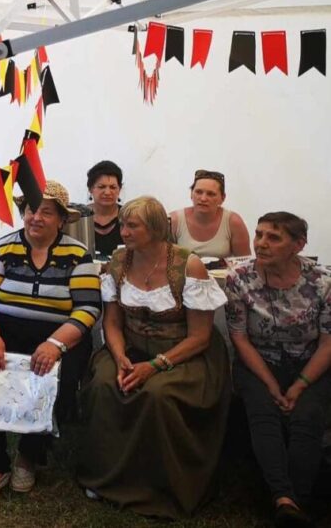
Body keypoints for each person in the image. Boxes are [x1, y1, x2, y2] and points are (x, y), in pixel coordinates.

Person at [78, 196, 230, 519]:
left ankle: (161, 485)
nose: (124, 231)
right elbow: (113, 322)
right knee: (104, 385)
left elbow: (200, 337)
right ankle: (107, 478)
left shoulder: (187, 266)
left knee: (156, 394)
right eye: (123, 224)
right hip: (129, 348)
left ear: (157, 228)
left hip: (185, 354)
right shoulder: (118, 263)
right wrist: (119, 356)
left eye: (133, 225)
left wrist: (156, 365)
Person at [0, 180, 101, 504]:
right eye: (30, 209)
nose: (36, 217)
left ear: (61, 219)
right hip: (3, 328)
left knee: (60, 381)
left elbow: (88, 307)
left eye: (46, 212)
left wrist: (55, 344)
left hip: (58, 332)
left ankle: (29, 456)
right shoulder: (4, 248)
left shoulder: (77, 255)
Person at [225, 212, 331, 527]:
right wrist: (272, 385)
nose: (261, 243)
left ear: (298, 245)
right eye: (259, 235)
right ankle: (284, 498)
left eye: (274, 237)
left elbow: (328, 344)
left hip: (310, 364)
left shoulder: (321, 282)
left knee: (306, 417)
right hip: (260, 362)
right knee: (263, 415)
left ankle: (293, 502)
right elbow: (239, 338)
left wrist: (298, 385)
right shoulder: (239, 277)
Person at [169, 169, 251, 259]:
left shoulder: (233, 222)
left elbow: (245, 264)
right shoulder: (173, 221)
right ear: (191, 194)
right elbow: (161, 259)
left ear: (222, 198)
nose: (203, 198)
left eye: (211, 194)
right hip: (184, 273)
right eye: (199, 192)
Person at [86, 160, 124, 259]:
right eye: (101, 187)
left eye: (113, 187)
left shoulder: (128, 216)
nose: (107, 192)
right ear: (90, 189)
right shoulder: (78, 218)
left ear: (119, 189)